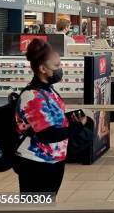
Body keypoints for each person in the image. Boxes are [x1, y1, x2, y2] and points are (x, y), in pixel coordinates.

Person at [14, 39, 89, 194]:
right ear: (42, 68)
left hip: (54, 159)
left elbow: (54, 119)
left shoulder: (49, 91)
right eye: (56, 66)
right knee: (34, 206)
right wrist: (78, 126)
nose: (60, 69)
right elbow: (47, 134)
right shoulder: (32, 96)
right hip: (36, 162)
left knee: (48, 203)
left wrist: (70, 119)